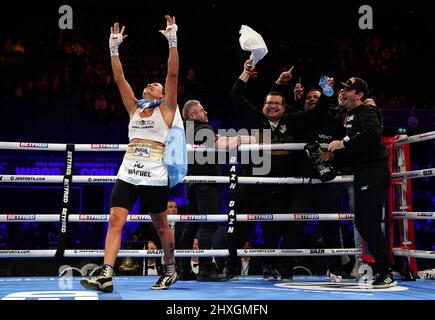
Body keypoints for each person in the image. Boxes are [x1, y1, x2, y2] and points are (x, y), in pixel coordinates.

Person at [81, 16, 182, 292]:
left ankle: (170, 269)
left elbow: (172, 74)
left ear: (163, 94)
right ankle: (106, 273)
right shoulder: (134, 108)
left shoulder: (167, 110)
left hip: (154, 174)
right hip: (128, 170)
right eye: (148, 84)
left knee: (161, 226)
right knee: (115, 219)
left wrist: (172, 40)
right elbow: (119, 78)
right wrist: (113, 48)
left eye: (155, 85)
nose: (150, 85)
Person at [227, 59, 332, 281]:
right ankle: (232, 264)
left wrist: (328, 92)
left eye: (277, 104)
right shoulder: (255, 119)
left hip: (279, 187)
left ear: (284, 108)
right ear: (263, 106)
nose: (273, 106)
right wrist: (246, 72)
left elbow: (316, 114)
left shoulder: (292, 121)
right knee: (241, 227)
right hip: (253, 186)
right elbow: (236, 97)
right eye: (269, 103)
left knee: (274, 229)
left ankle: (269, 266)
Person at [328, 77, 397, 288]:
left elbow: (373, 134)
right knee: (363, 223)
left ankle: (385, 271)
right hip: (363, 173)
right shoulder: (350, 114)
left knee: (369, 223)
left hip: (374, 173)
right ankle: (382, 269)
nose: (342, 92)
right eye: (341, 89)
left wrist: (343, 142)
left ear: (359, 95)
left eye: (348, 90)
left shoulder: (367, 111)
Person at [177, 99, 254, 281]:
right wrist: (244, 138)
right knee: (208, 224)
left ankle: (182, 268)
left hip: (192, 183)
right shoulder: (203, 128)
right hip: (206, 184)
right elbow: (221, 144)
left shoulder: (186, 131)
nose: (206, 113)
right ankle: (205, 269)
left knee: (192, 225)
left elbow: (218, 141)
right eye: (202, 110)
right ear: (192, 115)